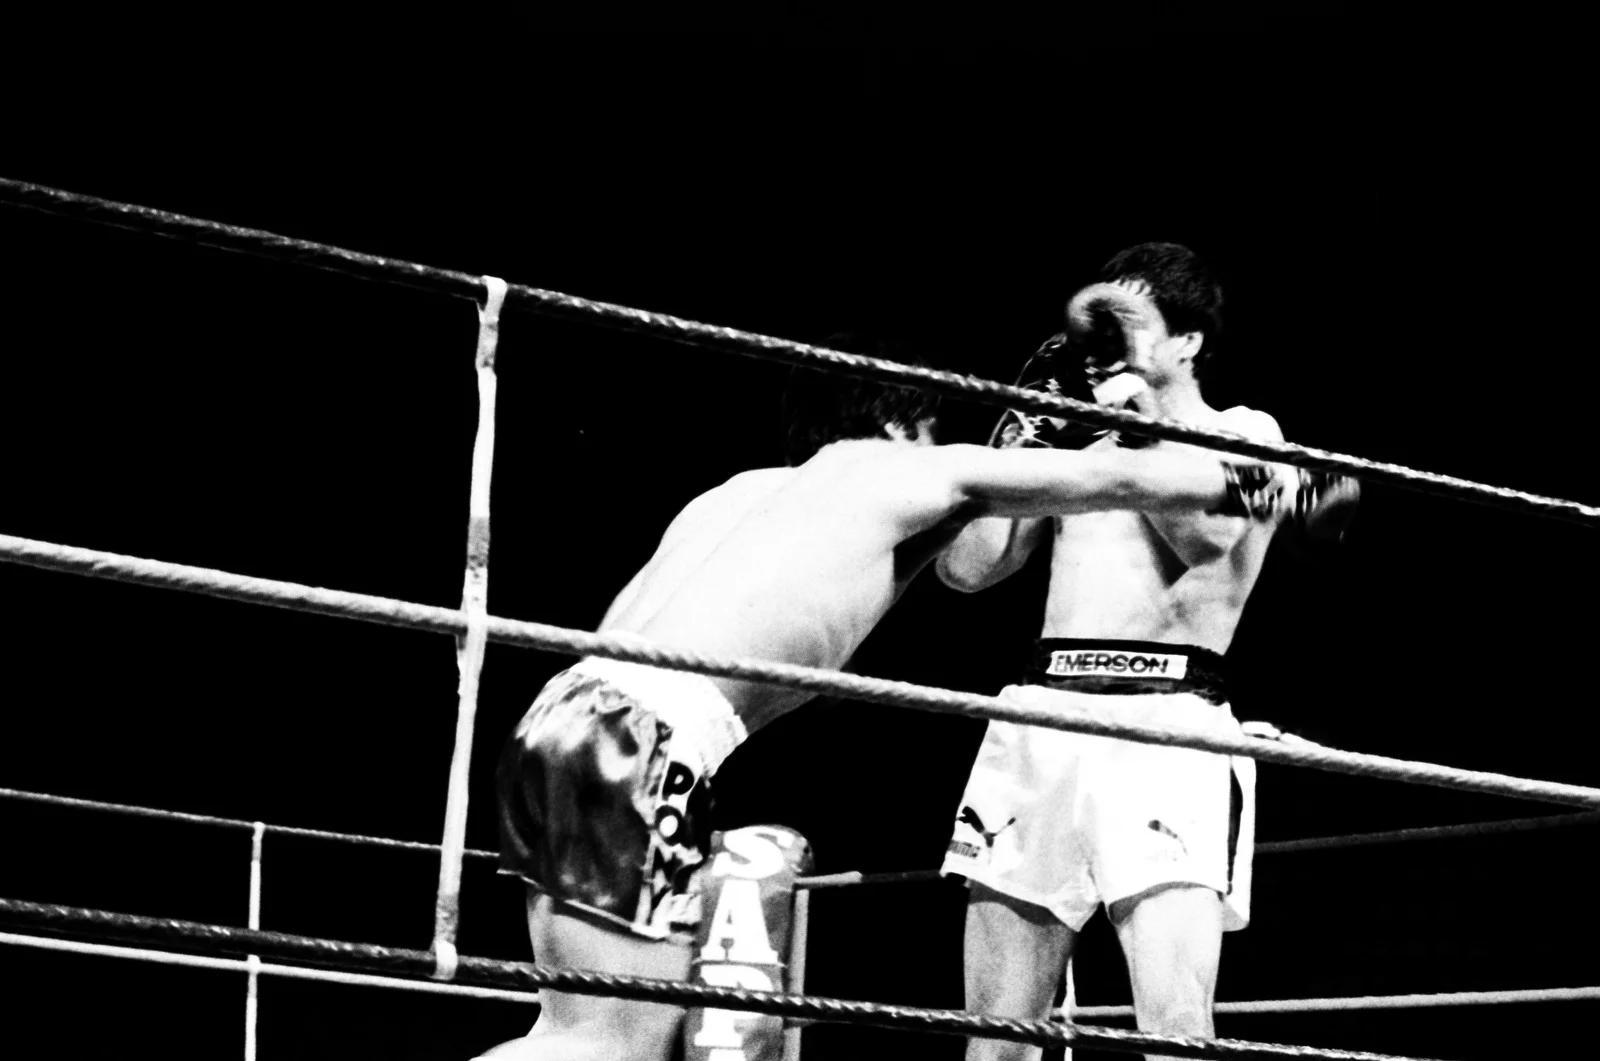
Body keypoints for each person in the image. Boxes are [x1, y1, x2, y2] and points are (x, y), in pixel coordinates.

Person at [481, 340, 1316, 1061]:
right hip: (647, 741)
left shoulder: (745, 491)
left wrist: (1030, 421)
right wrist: (1286, 485)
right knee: (609, 1045)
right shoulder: (911, 469)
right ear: (901, 419)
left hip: (563, 718)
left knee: (572, 1028)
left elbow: (940, 570)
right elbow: (1112, 474)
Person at [938, 243, 1356, 1060]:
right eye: (1102, 326)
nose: (1108, 342)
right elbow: (968, 570)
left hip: (1167, 725)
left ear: (1188, 341)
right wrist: (1023, 432)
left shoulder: (1242, 433)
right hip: (1040, 715)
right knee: (993, 1038)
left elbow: (1204, 540)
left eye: (1128, 322)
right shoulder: (1084, 446)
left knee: (1173, 1027)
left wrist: (1137, 423)